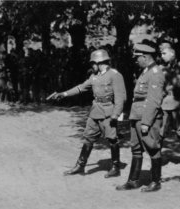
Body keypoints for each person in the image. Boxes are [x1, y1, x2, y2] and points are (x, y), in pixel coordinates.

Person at [48, 49, 126, 178]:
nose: (91, 66)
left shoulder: (115, 75)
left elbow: (121, 97)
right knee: (88, 138)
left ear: (99, 62)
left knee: (112, 139)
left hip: (108, 112)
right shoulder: (94, 76)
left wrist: (116, 115)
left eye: (92, 63)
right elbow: (81, 87)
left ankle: (115, 167)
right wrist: (64, 94)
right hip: (95, 111)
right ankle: (80, 166)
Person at [116, 42, 165, 192]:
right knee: (136, 148)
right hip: (136, 115)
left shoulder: (156, 73)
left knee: (152, 148)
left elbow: (154, 100)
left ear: (144, 57)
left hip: (145, 117)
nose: (136, 60)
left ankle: (156, 182)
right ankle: (133, 181)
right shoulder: (145, 72)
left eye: (138, 58)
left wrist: (146, 122)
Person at [160, 44, 180, 169]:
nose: (162, 56)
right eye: (161, 54)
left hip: (178, 103)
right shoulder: (162, 68)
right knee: (160, 132)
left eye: (164, 53)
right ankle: (158, 156)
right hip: (165, 103)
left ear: (172, 54)